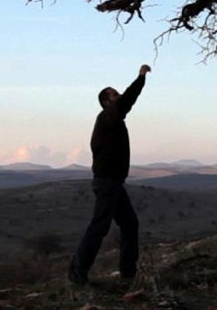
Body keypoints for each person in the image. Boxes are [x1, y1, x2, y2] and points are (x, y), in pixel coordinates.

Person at [68, 63, 151, 285]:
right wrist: (141, 77)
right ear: (107, 102)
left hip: (113, 183)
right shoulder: (107, 117)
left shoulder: (111, 120)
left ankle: (128, 272)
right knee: (99, 226)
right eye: (114, 94)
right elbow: (127, 102)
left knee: (130, 223)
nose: (119, 95)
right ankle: (77, 271)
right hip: (107, 183)